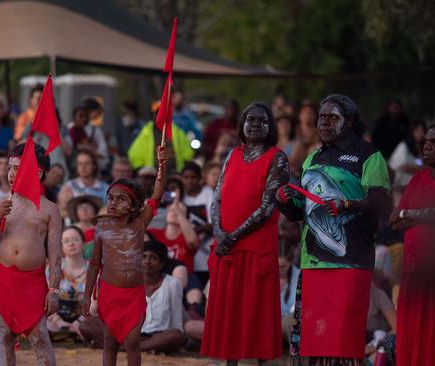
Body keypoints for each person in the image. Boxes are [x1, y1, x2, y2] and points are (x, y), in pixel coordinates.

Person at [276, 94, 390, 365]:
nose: (324, 122)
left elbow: (379, 202)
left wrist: (347, 203)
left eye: (332, 117)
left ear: (349, 122)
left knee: (343, 335)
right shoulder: (313, 157)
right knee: (315, 334)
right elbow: (300, 210)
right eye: (321, 117)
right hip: (313, 259)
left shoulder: (369, 155)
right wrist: (284, 201)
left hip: (351, 260)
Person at [203, 102, 289, 365]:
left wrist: (232, 236)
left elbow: (267, 207)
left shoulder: (277, 157)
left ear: (270, 127)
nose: (255, 124)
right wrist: (219, 232)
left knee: (256, 313)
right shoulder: (232, 155)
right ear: (241, 125)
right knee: (230, 312)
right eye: (249, 120)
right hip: (228, 247)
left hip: (255, 247)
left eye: (262, 121)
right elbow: (217, 197)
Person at [82, 146, 168, 366]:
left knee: (132, 342)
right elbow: (93, 265)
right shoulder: (102, 228)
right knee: (109, 343)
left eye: (121, 199)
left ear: (135, 207)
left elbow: (157, 194)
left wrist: (162, 164)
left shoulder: (140, 224)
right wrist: (87, 296)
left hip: (133, 295)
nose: (113, 203)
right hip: (109, 294)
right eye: (110, 198)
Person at [0, 142, 62, 366]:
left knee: (40, 338)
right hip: (2, 278)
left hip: (32, 283)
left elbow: (55, 254)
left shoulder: (49, 209)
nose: (12, 173)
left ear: (37, 173)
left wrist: (53, 289)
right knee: (4, 337)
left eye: (19, 168)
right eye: (11, 168)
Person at [389, 124, 435, 366]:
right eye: (425, 142)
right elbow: (394, 220)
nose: (427, 146)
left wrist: (410, 214)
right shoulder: (418, 179)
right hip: (413, 271)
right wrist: (416, 214)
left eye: (434, 143)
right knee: (411, 330)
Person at [46, 226, 88, 337]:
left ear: (84, 243)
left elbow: (95, 302)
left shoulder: (92, 269)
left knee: (91, 327)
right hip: (55, 318)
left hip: (85, 318)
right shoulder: (53, 269)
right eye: (66, 241)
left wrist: (78, 322)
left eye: (75, 239)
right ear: (62, 247)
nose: (71, 244)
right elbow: (45, 298)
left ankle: (75, 331)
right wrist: (59, 322)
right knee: (43, 326)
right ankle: (64, 331)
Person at [128, 103, 194, 173]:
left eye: (163, 113)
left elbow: (188, 152)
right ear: (153, 115)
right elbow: (134, 153)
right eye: (158, 113)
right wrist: (142, 169)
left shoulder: (176, 131)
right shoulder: (146, 132)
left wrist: (185, 168)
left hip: (174, 174)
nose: (161, 116)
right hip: (153, 175)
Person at [65, 105, 110, 170]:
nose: (84, 119)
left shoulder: (83, 131)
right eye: (81, 116)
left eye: (85, 116)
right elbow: (74, 147)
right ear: (74, 118)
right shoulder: (70, 131)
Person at [388, 120, 427, 187]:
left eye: (422, 131)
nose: (420, 134)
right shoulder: (404, 146)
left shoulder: (423, 148)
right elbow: (400, 166)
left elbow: (421, 165)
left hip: (418, 185)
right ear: (412, 131)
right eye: (417, 130)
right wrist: (419, 169)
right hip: (403, 184)